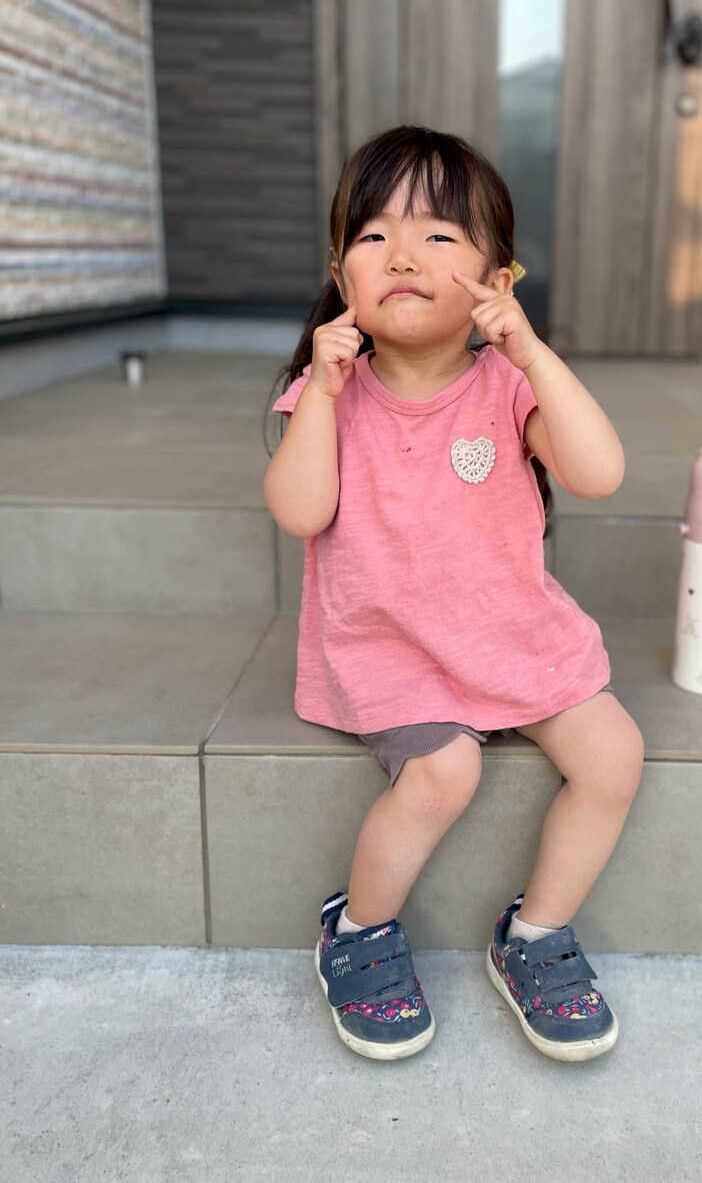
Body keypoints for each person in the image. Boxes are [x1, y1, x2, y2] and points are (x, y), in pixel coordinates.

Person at [264, 125, 645, 1064]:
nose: (401, 254)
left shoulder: (506, 387)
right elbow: (301, 512)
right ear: (341, 276)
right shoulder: (329, 393)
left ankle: (535, 936)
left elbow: (598, 472)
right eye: (373, 235)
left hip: (511, 634)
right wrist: (322, 393)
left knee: (614, 754)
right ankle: (357, 930)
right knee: (446, 772)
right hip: (393, 647)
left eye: (437, 234)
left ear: (496, 281)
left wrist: (533, 354)